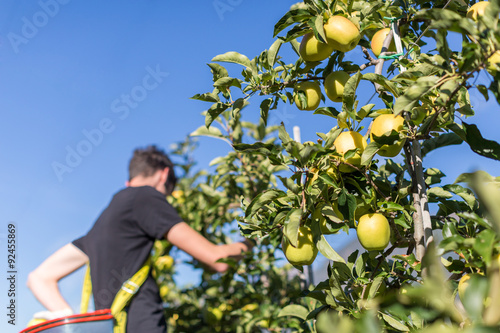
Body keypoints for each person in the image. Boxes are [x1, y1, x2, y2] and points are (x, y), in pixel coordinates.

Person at [27, 145, 252, 332]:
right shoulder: (145, 197)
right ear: (163, 175)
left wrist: (71, 323)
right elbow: (217, 260)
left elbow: (39, 278)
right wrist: (254, 239)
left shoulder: (102, 224)